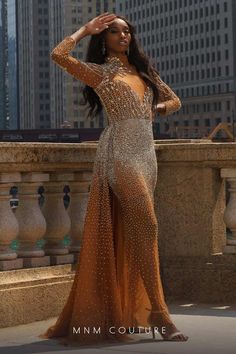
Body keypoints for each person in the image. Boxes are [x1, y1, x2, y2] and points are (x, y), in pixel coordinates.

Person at [39, 12, 189, 346]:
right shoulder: (102, 74)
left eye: (127, 31)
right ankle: (160, 315)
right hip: (120, 152)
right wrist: (84, 30)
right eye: (115, 32)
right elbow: (58, 55)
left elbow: (175, 100)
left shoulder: (145, 73)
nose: (124, 36)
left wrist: (157, 110)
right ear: (103, 39)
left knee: (139, 230)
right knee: (147, 225)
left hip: (147, 155)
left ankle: (147, 309)